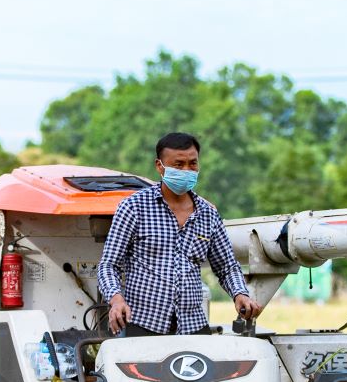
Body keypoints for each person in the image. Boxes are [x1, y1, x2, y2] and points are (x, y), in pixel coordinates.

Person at [98, 131, 262, 336]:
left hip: (192, 325)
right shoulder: (134, 207)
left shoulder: (208, 213)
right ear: (160, 166)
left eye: (192, 164)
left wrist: (240, 294)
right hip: (142, 323)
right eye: (178, 165)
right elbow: (108, 265)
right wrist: (116, 300)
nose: (187, 170)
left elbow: (227, 267)